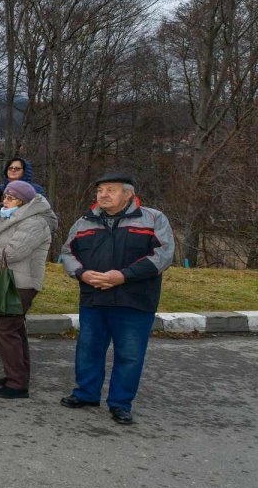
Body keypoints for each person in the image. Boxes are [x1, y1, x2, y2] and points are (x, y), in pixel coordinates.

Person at [58, 173, 173, 425]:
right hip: (93, 297)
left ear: (128, 194)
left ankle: (120, 403)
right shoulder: (84, 221)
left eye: (110, 189)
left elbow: (162, 255)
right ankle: (86, 394)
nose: (103, 194)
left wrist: (123, 276)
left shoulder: (153, 218)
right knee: (88, 349)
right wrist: (82, 273)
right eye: (100, 190)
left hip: (134, 300)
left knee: (129, 354)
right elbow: (67, 252)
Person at [0, 180, 57, 399]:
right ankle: (18, 375)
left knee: (5, 330)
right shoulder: (16, 217)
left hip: (21, 283)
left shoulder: (34, 222)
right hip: (11, 280)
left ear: (23, 201)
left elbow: (12, 253)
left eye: (11, 198)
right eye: (5, 197)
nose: (5, 201)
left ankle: (17, 383)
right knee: (16, 330)